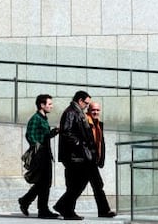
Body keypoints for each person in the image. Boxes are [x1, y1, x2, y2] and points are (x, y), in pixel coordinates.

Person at [53, 90, 93, 220]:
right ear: (80, 101)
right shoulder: (71, 112)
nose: (87, 106)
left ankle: (65, 207)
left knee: (77, 183)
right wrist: (79, 143)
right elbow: (66, 132)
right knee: (76, 184)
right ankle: (66, 209)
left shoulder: (76, 112)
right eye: (86, 103)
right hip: (73, 156)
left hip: (77, 155)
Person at [18, 94, 59, 219]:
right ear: (42, 105)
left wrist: (55, 131)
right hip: (40, 155)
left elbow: (45, 136)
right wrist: (36, 146)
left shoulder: (43, 118)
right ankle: (42, 210)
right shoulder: (36, 118)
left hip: (45, 154)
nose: (51, 106)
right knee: (44, 183)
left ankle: (26, 201)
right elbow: (29, 135)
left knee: (44, 183)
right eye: (49, 104)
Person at [86, 102, 116, 218]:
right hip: (87, 160)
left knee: (79, 187)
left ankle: (62, 205)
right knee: (97, 185)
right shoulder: (85, 123)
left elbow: (100, 143)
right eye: (93, 110)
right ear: (89, 110)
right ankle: (104, 211)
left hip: (93, 160)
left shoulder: (98, 124)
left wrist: (101, 158)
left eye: (98, 110)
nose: (96, 112)